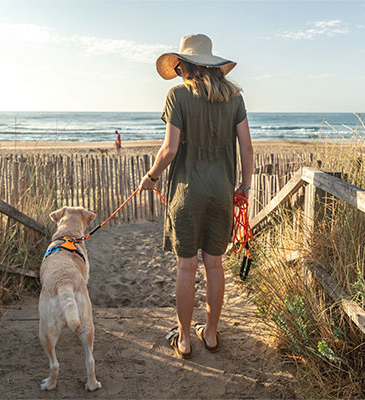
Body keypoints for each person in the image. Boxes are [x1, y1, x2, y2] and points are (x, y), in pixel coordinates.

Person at [139, 33, 253, 359]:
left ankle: (186, 340)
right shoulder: (235, 99)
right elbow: (247, 147)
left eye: (179, 68)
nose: (178, 74)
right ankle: (212, 334)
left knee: (186, 268)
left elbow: (170, 148)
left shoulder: (177, 96)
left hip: (186, 194)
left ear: (186, 66)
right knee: (214, 266)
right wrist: (244, 187)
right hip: (221, 193)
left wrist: (151, 176)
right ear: (214, 67)